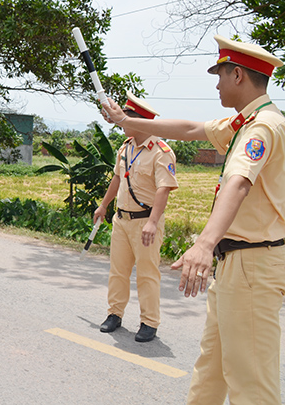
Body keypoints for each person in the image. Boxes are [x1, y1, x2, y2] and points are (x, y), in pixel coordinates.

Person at [102, 35, 285, 405]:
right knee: (211, 372)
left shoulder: (262, 127)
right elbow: (189, 130)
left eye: (219, 75)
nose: (215, 84)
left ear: (237, 75)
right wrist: (127, 119)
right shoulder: (243, 122)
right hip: (236, 264)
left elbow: (238, 183)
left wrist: (203, 243)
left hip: (253, 264)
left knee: (251, 385)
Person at [94, 92, 178, 343]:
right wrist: (104, 205)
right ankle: (114, 314)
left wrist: (153, 222)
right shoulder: (126, 147)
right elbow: (117, 179)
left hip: (145, 222)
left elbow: (164, 188)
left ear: (139, 120)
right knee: (118, 271)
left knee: (147, 274)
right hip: (122, 220)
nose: (122, 121)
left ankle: (149, 322)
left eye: (126, 117)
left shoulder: (161, 151)